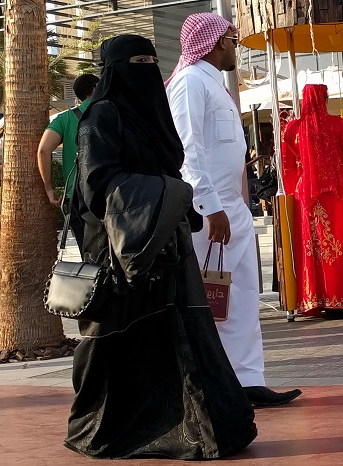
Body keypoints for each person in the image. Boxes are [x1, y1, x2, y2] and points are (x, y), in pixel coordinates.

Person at [67, 35, 257, 459]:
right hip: (120, 252)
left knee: (184, 336)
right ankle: (110, 429)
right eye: (138, 60)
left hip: (167, 248)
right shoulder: (100, 116)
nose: (148, 68)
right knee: (118, 342)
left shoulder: (155, 117)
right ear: (116, 68)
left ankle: (200, 428)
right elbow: (95, 185)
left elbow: (177, 165)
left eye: (154, 60)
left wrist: (175, 200)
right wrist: (163, 193)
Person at [165, 12, 301, 407]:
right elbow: (187, 150)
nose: (235, 48)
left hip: (232, 210)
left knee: (240, 295)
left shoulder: (215, 86)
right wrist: (210, 207)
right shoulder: (190, 82)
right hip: (208, 213)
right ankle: (208, 385)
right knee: (208, 298)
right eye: (233, 40)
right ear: (217, 42)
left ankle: (247, 380)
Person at [281, 84, 343, 319]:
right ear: (324, 99)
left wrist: (293, 190)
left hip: (306, 195)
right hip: (340, 193)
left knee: (314, 246)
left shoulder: (293, 128)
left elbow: (286, 165)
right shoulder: (337, 124)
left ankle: (320, 299)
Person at [37, 73, 99, 253]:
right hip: (109, 194)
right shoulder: (114, 112)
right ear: (95, 88)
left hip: (75, 197)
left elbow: (43, 150)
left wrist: (50, 189)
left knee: (87, 254)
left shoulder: (64, 119)